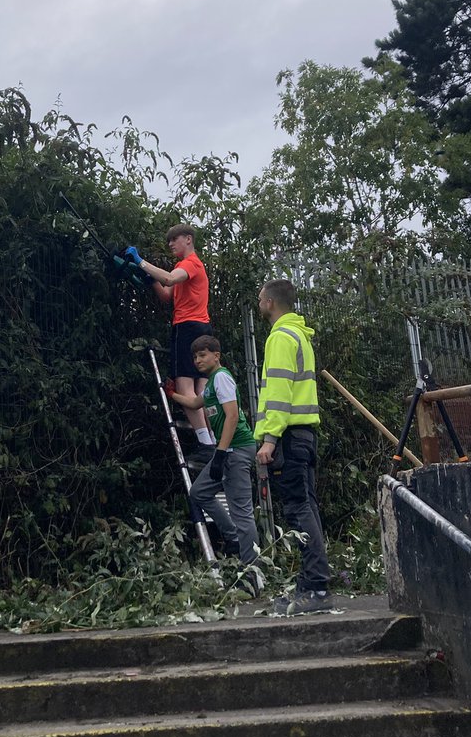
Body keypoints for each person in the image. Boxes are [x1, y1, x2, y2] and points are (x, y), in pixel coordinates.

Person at [254, 279, 334, 615]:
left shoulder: (281, 338)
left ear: (270, 302)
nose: (259, 304)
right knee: (306, 507)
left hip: (288, 436)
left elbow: (280, 391)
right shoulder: (299, 335)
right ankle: (310, 585)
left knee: (299, 510)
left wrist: (269, 438)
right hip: (302, 436)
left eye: (260, 299)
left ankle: (316, 588)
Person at [166, 335, 261, 584]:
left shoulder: (222, 378)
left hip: (237, 449)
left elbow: (231, 417)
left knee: (242, 511)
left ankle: (252, 572)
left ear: (216, 356)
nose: (197, 360)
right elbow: (195, 403)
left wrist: (219, 454)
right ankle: (233, 538)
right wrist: (172, 394)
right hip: (227, 451)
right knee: (199, 493)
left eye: (203, 355)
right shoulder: (209, 385)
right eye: (195, 356)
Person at [126, 225, 214, 457]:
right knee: (202, 388)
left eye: (174, 239)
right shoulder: (186, 268)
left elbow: (168, 278)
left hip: (187, 327)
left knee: (185, 386)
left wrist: (140, 261)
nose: (171, 244)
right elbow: (167, 294)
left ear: (188, 239)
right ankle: (216, 442)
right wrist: (149, 280)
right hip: (203, 328)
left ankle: (205, 444)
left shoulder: (190, 264)